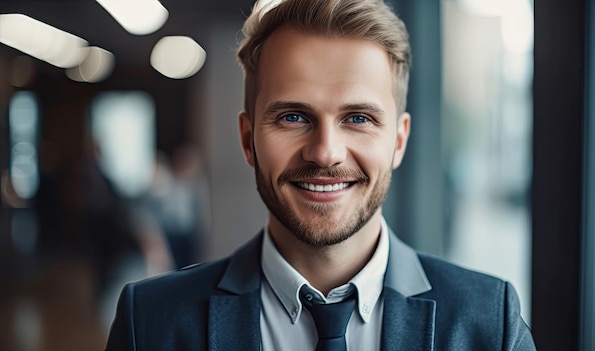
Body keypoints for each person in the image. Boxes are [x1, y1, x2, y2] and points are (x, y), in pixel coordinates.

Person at [105, 0, 536, 349]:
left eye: (359, 118)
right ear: (247, 139)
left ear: (399, 141)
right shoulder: (151, 322)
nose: (326, 153)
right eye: (293, 116)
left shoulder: (488, 322)